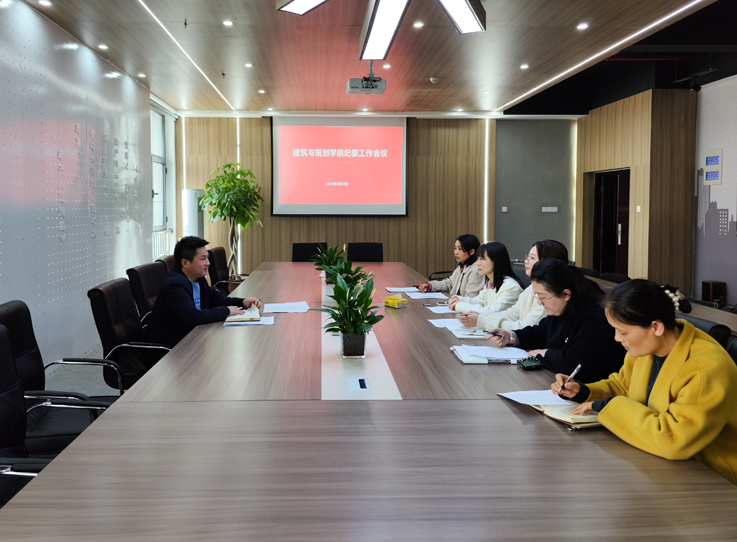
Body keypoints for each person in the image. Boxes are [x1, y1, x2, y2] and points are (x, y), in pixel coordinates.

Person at [552, 280, 737, 485]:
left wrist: (607, 405)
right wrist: (583, 391)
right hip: (658, 464)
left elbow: (673, 440)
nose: (617, 338)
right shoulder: (645, 348)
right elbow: (623, 386)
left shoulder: (706, 368)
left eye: (623, 332)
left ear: (656, 327)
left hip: (713, 478)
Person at [487, 259, 625, 383]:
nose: (539, 302)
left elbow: (574, 363)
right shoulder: (561, 309)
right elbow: (539, 333)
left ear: (566, 294)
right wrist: (511, 336)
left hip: (592, 390)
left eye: (542, 297)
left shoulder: (596, 318)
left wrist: (545, 354)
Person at [144, 236, 261, 347]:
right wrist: (226, 311)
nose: (208, 263)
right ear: (185, 263)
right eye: (203, 259)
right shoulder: (175, 285)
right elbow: (192, 317)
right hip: (170, 347)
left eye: (207, 258)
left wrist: (242, 302)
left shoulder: (198, 278)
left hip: (193, 337)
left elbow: (216, 299)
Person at [480, 239, 569, 331]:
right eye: (528, 257)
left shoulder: (552, 295)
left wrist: (483, 321)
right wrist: (483, 319)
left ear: (548, 263)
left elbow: (527, 327)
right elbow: (511, 314)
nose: (526, 261)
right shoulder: (530, 289)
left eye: (532, 258)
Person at [449, 242, 524, 328]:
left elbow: (491, 312)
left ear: (496, 261)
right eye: (478, 259)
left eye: (482, 259)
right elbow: (479, 301)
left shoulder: (511, 286)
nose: (478, 263)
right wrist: (459, 299)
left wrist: (459, 305)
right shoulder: (492, 282)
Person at [417, 234, 485, 298]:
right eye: (455, 248)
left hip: (463, 306)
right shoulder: (462, 266)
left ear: (471, 251)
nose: (456, 252)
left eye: (460, 249)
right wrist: (430, 286)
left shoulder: (476, 270)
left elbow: (471, 298)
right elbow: (450, 283)